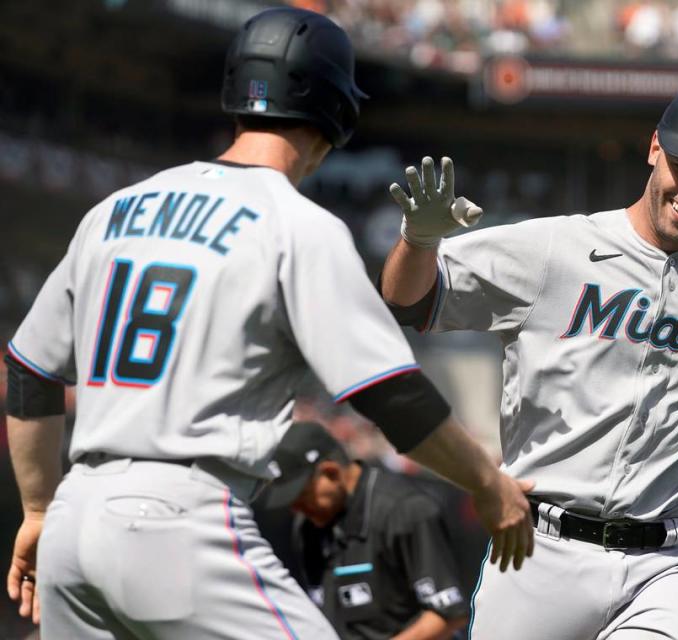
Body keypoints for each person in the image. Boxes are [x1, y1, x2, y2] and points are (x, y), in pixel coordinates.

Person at [4, 8, 532, 639]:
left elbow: (29, 372)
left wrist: (37, 507)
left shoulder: (113, 212)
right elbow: (390, 394)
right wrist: (486, 481)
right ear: (337, 113)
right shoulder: (296, 225)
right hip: (180, 521)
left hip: (72, 521)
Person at [380, 80, 678, 639]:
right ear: (655, 148)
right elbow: (408, 301)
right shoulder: (552, 249)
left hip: (663, 566)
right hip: (540, 549)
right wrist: (417, 243)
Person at [256, 421, 469, 640]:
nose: (296, 508)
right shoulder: (307, 526)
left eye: (301, 495)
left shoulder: (405, 511)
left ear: (331, 472)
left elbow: (449, 615)